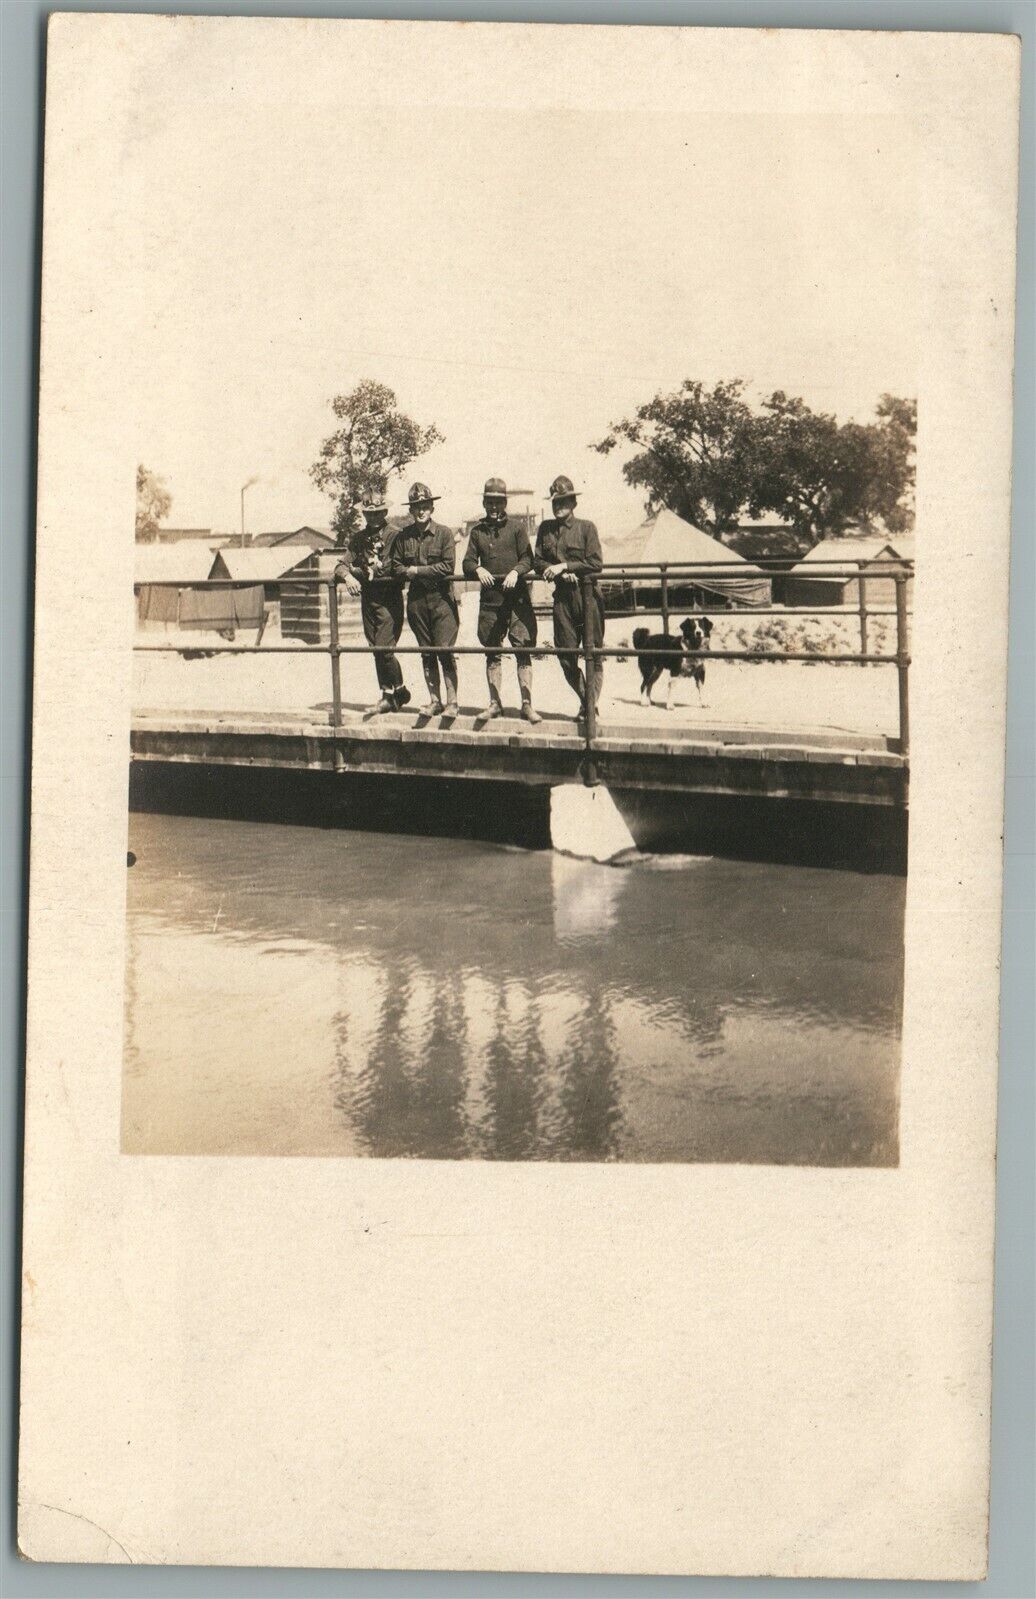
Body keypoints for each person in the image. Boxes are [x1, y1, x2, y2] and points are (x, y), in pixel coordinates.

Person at [462, 477, 541, 724]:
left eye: (498, 502)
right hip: (491, 602)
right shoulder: (476, 531)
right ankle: (495, 704)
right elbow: (466, 562)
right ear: (484, 503)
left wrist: (516, 571)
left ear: (504, 502)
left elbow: (528, 559)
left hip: (516, 600)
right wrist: (478, 569)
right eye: (490, 502)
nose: (494, 507)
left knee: (523, 650)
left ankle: (526, 705)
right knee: (492, 652)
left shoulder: (517, 528)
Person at [533, 474, 604, 716]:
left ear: (573, 502)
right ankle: (587, 701)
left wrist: (566, 566)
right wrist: (559, 575)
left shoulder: (587, 528)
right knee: (565, 655)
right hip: (562, 598)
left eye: (564, 501)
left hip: (587, 598)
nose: (559, 506)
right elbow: (538, 561)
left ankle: (588, 708)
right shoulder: (546, 529)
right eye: (555, 502)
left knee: (593, 653)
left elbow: (595, 563)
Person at [333, 498, 410, 713]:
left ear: (384, 511)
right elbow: (340, 565)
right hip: (369, 600)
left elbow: (396, 568)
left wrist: (365, 571)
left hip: (389, 599)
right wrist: (349, 576)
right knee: (375, 647)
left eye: (377, 513)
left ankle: (399, 691)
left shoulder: (396, 535)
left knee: (384, 648)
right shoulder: (359, 539)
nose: (373, 517)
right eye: (368, 513)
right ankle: (390, 694)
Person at [389, 482, 459, 716]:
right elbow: (396, 567)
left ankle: (452, 702)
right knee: (426, 652)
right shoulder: (403, 537)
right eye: (416, 507)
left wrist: (417, 571)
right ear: (411, 510)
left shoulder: (444, 534)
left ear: (432, 507)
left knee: (444, 650)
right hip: (417, 602)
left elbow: (448, 566)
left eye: (425, 506)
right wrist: (411, 571)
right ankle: (434, 700)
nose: (421, 511)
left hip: (442, 600)